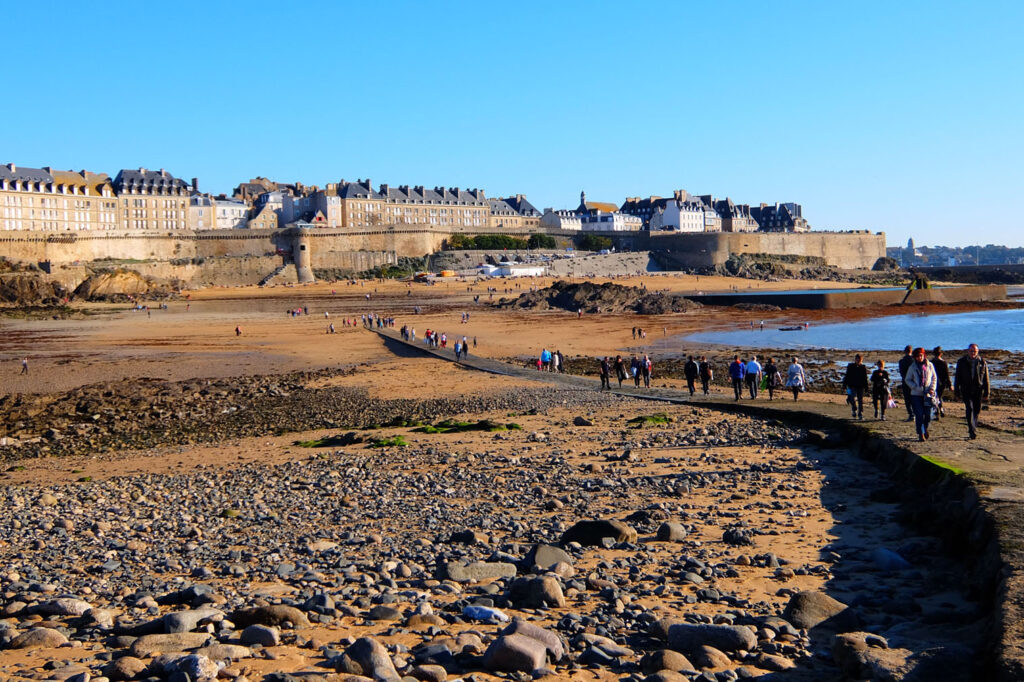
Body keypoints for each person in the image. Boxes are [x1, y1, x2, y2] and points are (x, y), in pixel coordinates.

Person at [954, 343, 990, 440]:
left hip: (978, 390)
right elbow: (957, 377)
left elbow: (986, 378)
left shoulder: (982, 362)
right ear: (968, 351)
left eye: (974, 351)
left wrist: (987, 393)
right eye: (971, 351)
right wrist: (956, 391)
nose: (972, 353)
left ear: (977, 352)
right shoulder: (961, 362)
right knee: (969, 408)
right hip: (966, 389)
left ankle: (973, 426)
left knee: (977, 410)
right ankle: (971, 429)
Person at [905, 347, 938, 442]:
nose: (919, 358)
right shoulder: (912, 367)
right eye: (917, 356)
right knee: (919, 415)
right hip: (916, 394)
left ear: (924, 355)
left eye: (921, 356)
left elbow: (934, 378)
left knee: (927, 415)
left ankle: (925, 428)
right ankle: (920, 433)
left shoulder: (930, 365)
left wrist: (932, 388)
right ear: (915, 357)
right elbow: (907, 379)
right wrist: (914, 387)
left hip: (928, 394)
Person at [842, 353, 869, 419]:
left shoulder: (863, 367)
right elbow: (847, 375)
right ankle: (854, 409)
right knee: (852, 398)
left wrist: (866, 387)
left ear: (861, 360)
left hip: (861, 386)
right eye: (857, 359)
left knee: (860, 400)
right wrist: (844, 385)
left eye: (859, 359)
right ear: (855, 359)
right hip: (852, 385)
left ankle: (860, 414)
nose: (858, 360)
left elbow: (865, 378)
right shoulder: (851, 366)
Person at [931, 347, 951, 418]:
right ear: (941, 354)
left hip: (933, 382)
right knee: (939, 396)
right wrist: (950, 384)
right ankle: (941, 409)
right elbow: (946, 374)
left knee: (935, 397)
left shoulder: (931, 362)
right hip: (942, 383)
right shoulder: (943, 362)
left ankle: (937, 410)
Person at [898, 345, 915, 422]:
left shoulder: (902, 361)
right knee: (914, 398)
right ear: (911, 351)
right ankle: (914, 413)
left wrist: (906, 378)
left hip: (905, 382)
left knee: (907, 399)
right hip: (914, 382)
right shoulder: (914, 361)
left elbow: (901, 373)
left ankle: (911, 414)